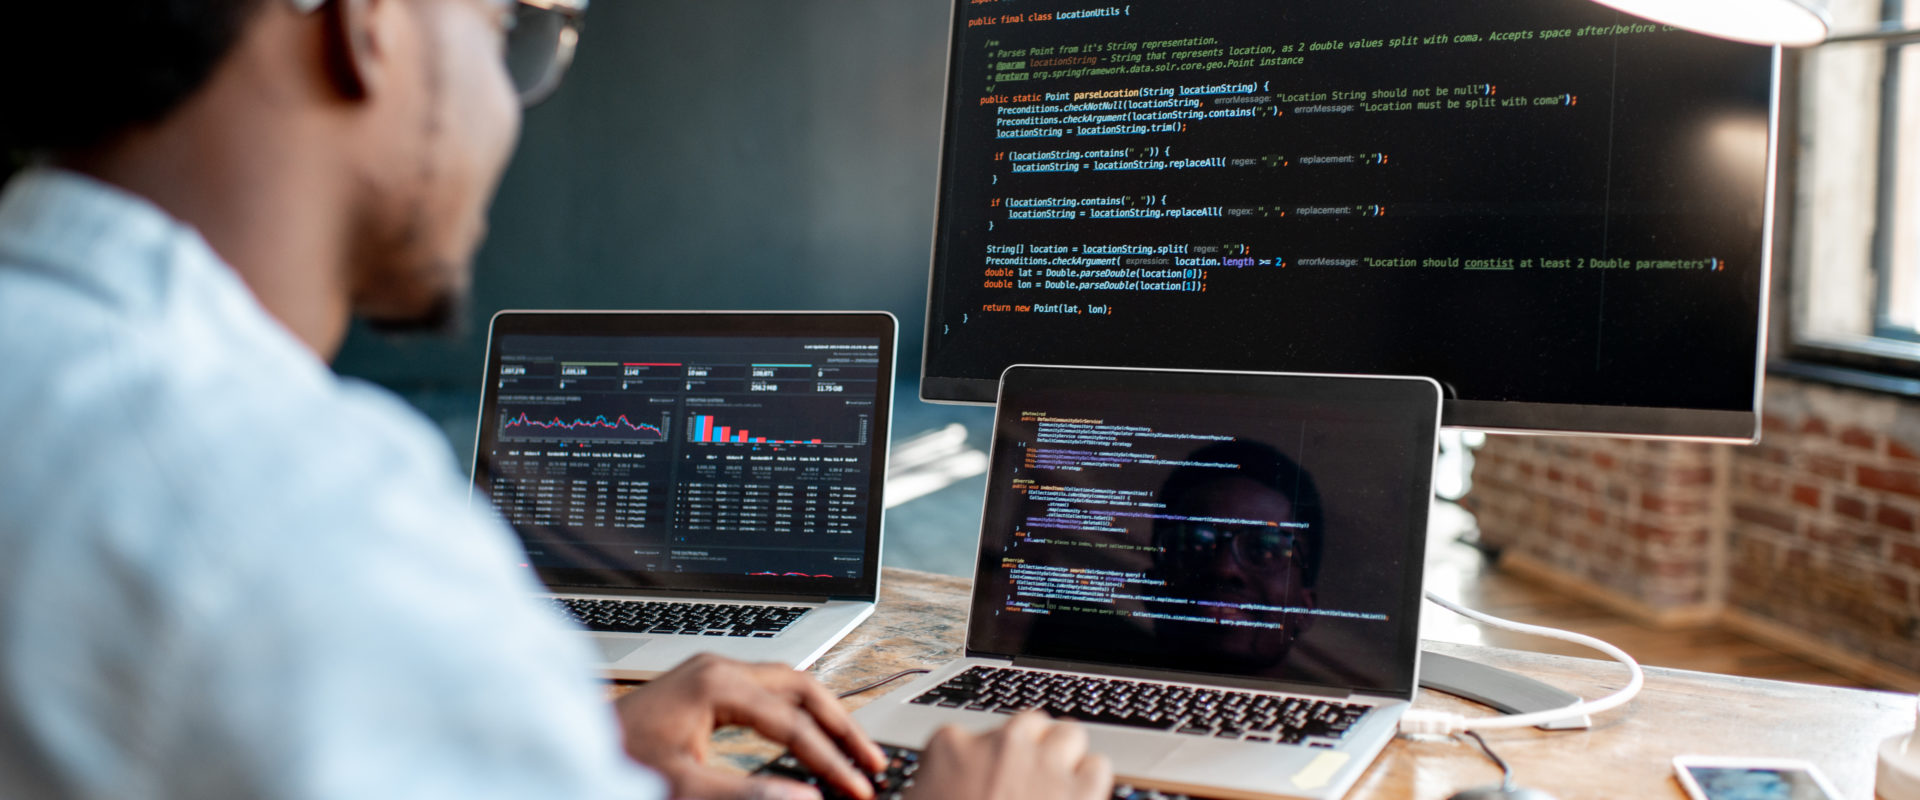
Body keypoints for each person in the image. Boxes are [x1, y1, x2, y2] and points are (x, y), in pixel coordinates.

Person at [0, 2, 1112, 799]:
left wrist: (565, 747)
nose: (508, 110)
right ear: (365, 23)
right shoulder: (306, 511)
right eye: (510, 34)